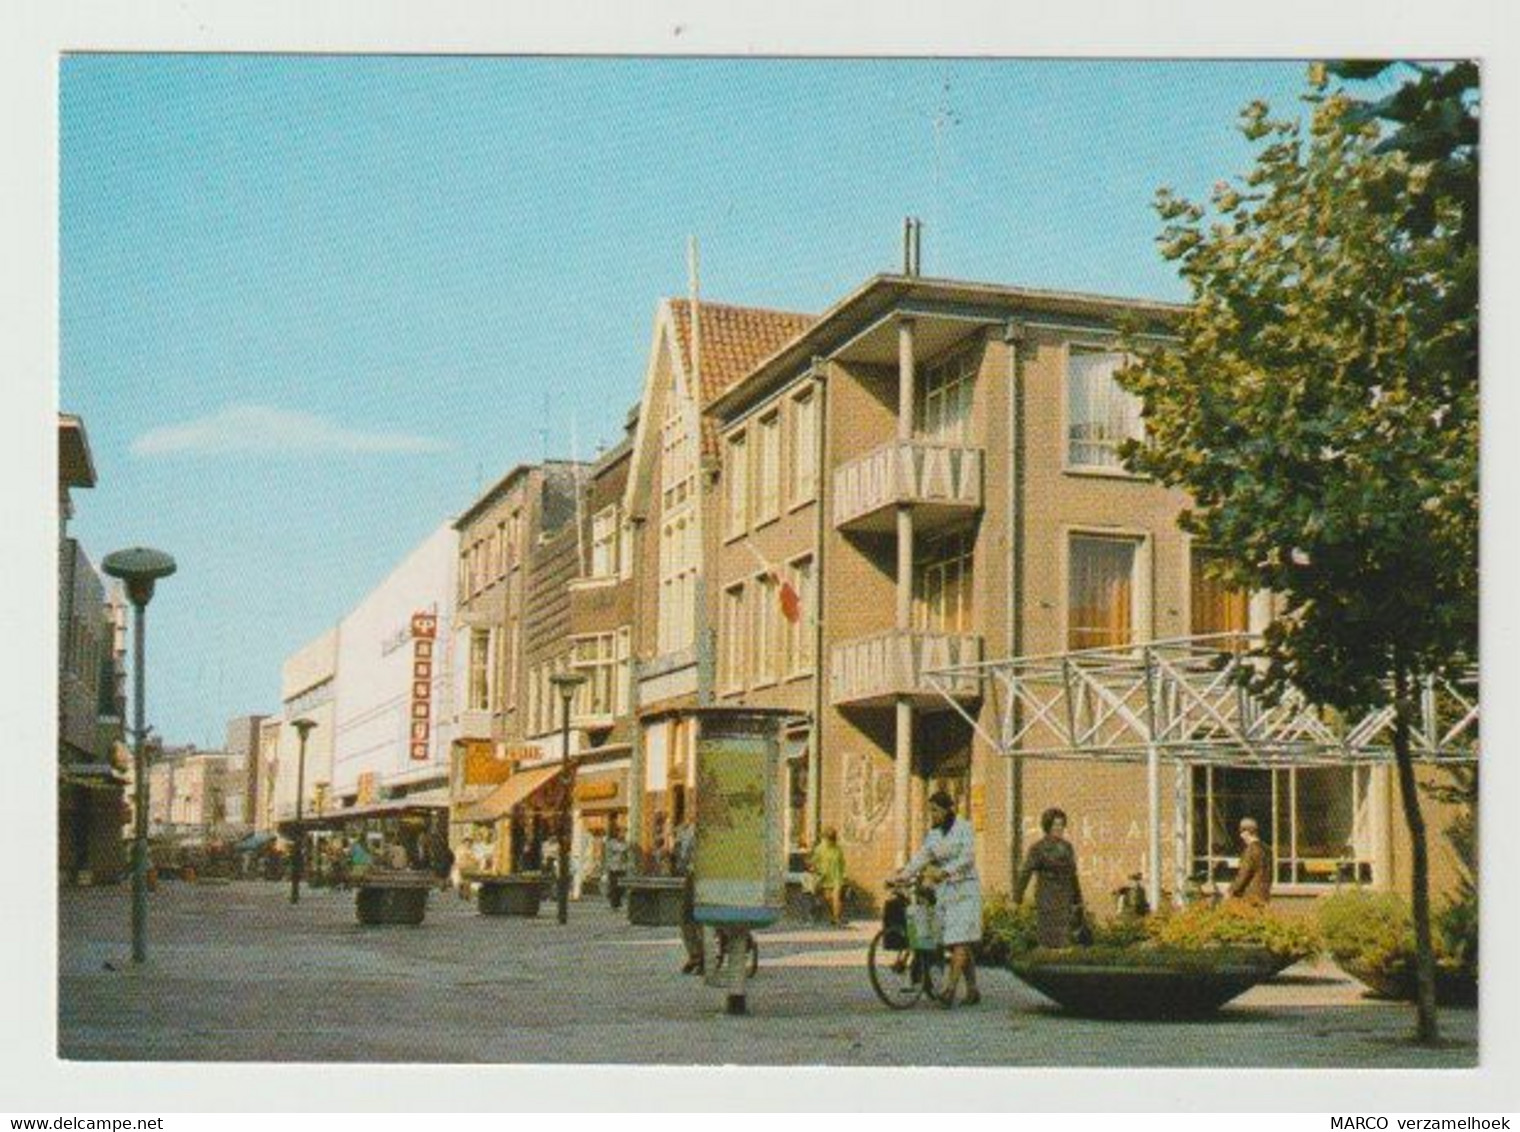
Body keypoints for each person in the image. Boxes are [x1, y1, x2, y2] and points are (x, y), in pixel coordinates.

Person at [896, 790, 982, 1008]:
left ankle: (950, 989)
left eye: (935, 810)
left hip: (965, 889)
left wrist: (946, 872)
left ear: (947, 810)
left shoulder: (964, 827)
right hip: (946, 892)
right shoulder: (934, 835)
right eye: (930, 810)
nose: (932, 814)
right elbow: (922, 857)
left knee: (959, 938)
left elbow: (968, 856)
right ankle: (972, 990)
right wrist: (901, 876)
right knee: (956, 942)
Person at [1015, 807, 1085, 948]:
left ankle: (1061, 964)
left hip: (1065, 896)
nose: (1059, 828)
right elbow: (1026, 872)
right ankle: (1047, 961)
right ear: (1048, 827)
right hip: (1047, 897)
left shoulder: (1068, 847)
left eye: (1061, 825)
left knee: (1065, 937)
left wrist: (1078, 899)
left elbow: (1073, 874)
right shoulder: (1038, 848)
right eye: (1055, 825)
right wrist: (1017, 897)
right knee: (1048, 936)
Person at [673, 817, 704, 975]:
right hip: (720, 876)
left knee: (687, 916)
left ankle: (696, 954)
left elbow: (683, 859)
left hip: (696, 875)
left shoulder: (691, 830)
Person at [1229, 817, 1273, 906]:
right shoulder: (1267, 849)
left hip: (1251, 898)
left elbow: (1244, 874)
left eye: (1241, 832)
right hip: (1264, 895)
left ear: (1246, 832)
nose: (1241, 836)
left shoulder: (1250, 851)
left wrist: (1231, 890)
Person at [809, 827, 848, 927]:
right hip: (825, 878)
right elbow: (813, 862)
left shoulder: (838, 848)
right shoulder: (820, 849)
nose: (831, 840)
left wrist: (844, 875)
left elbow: (842, 862)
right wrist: (814, 869)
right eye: (829, 838)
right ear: (825, 838)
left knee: (836, 898)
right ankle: (833, 917)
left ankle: (837, 919)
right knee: (828, 899)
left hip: (837, 877)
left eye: (833, 838)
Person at [603, 821, 629, 910]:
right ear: (617, 833)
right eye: (621, 832)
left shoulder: (625, 843)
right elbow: (613, 852)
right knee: (614, 886)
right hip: (613, 867)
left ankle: (618, 902)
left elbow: (626, 853)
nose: (623, 834)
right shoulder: (611, 843)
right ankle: (614, 904)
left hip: (622, 867)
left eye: (624, 833)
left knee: (621, 886)